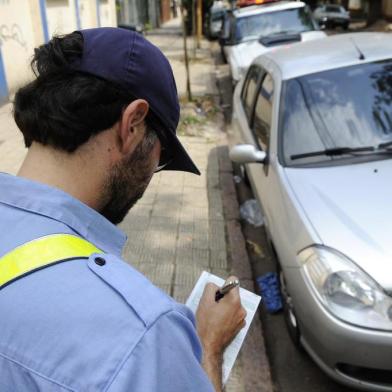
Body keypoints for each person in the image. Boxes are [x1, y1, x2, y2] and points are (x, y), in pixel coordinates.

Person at [0, 28, 246, 391]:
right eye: (160, 159)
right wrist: (208, 346)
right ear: (132, 124)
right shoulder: (142, 336)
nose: (150, 176)